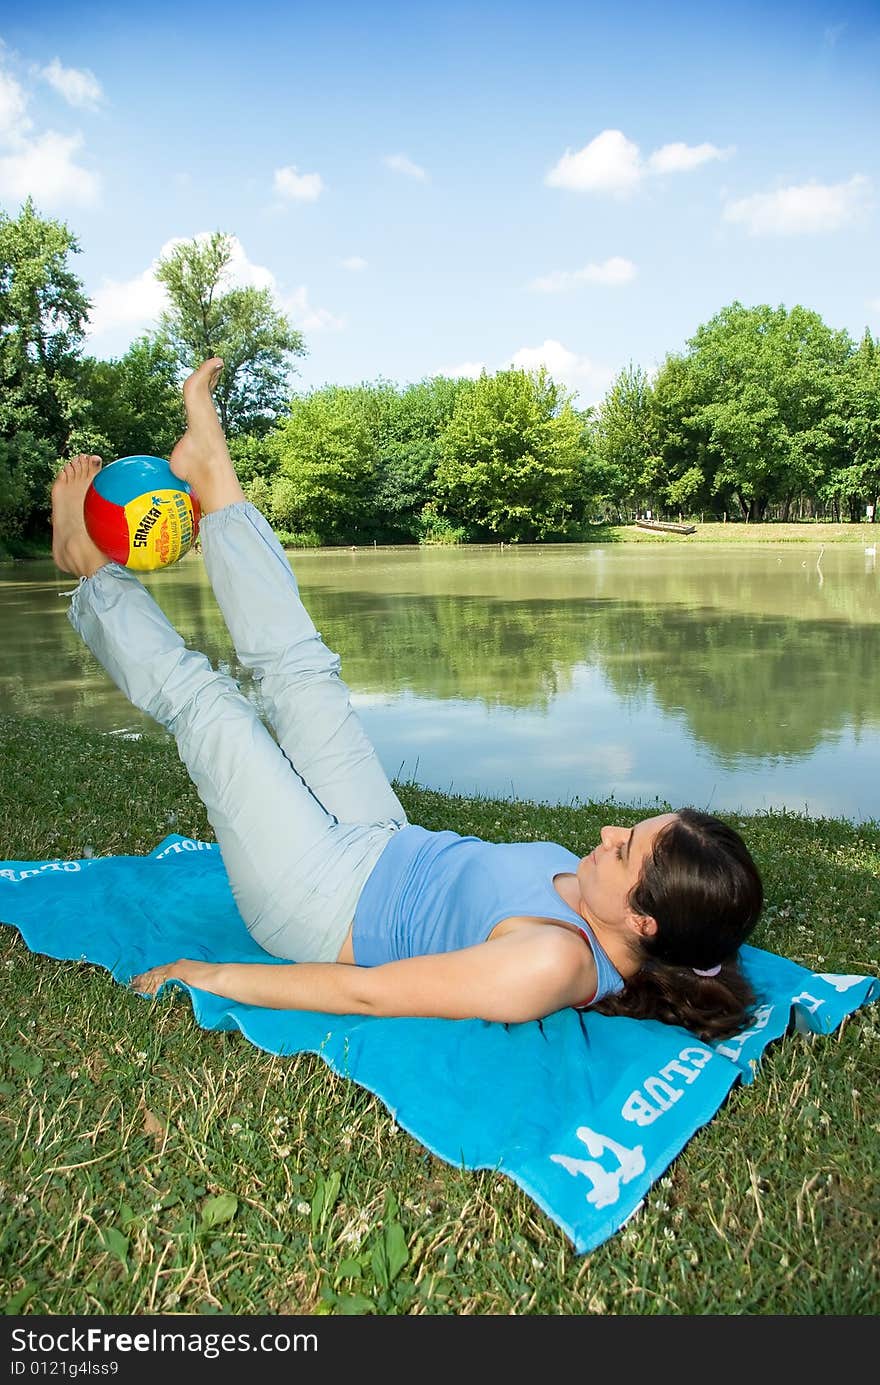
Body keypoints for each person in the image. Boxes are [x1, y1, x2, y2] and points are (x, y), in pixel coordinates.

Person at [51, 359, 764, 1041]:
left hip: (317, 905)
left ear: (642, 924)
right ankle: (213, 476)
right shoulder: (591, 893)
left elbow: (371, 993)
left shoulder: (557, 963)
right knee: (303, 672)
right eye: (628, 831)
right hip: (380, 839)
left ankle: (89, 569)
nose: (610, 834)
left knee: (214, 713)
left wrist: (208, 974)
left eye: (626, 851)